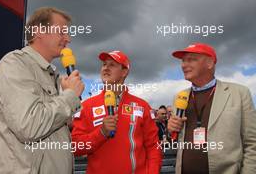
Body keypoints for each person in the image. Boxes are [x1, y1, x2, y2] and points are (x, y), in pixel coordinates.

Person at [0, 7, 84, 174]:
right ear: (38, 31)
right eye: (62, 32)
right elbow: (29, 126)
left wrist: (67, 111)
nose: (68, 39)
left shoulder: (52, 75)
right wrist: (70, 96)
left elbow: (49, 124)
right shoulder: (14, 64)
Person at [167, 42, 256, 174]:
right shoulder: (180, 97)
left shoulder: (239, 93)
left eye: (191, 60)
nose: (184, 65)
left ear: (209, 63)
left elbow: (252, 143)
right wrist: (171, 129)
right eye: (183, 61)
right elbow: (177, 139)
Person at [71, 50, 162, 174]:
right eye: (104, 64)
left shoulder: (142, 106)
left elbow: (153, 147)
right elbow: (75, 147)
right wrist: (101, 133)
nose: (106, 68)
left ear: (124, 72)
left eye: (112, 65)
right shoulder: (86, 106)